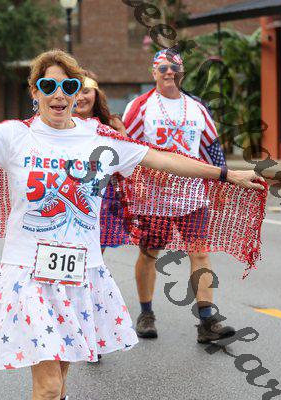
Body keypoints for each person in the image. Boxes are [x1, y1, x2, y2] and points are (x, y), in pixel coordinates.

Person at [0, 49, 264, 400]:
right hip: (27, 273)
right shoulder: (13, 135)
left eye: (68, 86)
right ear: (35, 92)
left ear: (78, 91)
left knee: (60, 379)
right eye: (48, 86)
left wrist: (228, 174)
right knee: (48, 385)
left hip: (81, 274)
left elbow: (164, 160)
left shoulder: (101, 139)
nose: (59, 94)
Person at [122, 48, 234, 343]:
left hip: (192, 195)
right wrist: (135, 181)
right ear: (153, 72)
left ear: (181, 72)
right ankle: (146, 313)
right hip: (153, 198)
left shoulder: (196, 107)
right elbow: (125, 146)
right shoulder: (140, 106)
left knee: (200, 253)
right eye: (163, 68)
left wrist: (221, 183)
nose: (169, 72)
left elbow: (212, 147)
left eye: (174, 67)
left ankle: (207, 321)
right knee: (149, 252)